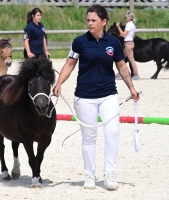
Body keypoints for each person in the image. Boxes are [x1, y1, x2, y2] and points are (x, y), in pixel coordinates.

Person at [53, 4, 140, 190]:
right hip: (84, 96)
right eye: (88, 20)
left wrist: (131, 87)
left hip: (108, 94)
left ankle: (109, 174)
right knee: (89, 136)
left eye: (93, 20)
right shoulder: (79, 42)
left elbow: (122, 67)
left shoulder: (114, 43)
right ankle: (89, 176)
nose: (90, 23)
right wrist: (59, 83)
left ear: (104, 21)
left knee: (112, 133)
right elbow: (69, 65)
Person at [116, 11, 140, 80]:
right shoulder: (133, 25)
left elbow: (123, 34)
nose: (125, 18)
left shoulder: (128, 24)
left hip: (128, 44)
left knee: (131, 59)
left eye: (125, 17)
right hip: (131, 42)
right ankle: (120, 73)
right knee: (122, 58)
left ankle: (136, 74)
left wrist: (118, 27)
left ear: (128, 18)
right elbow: (133, 35)